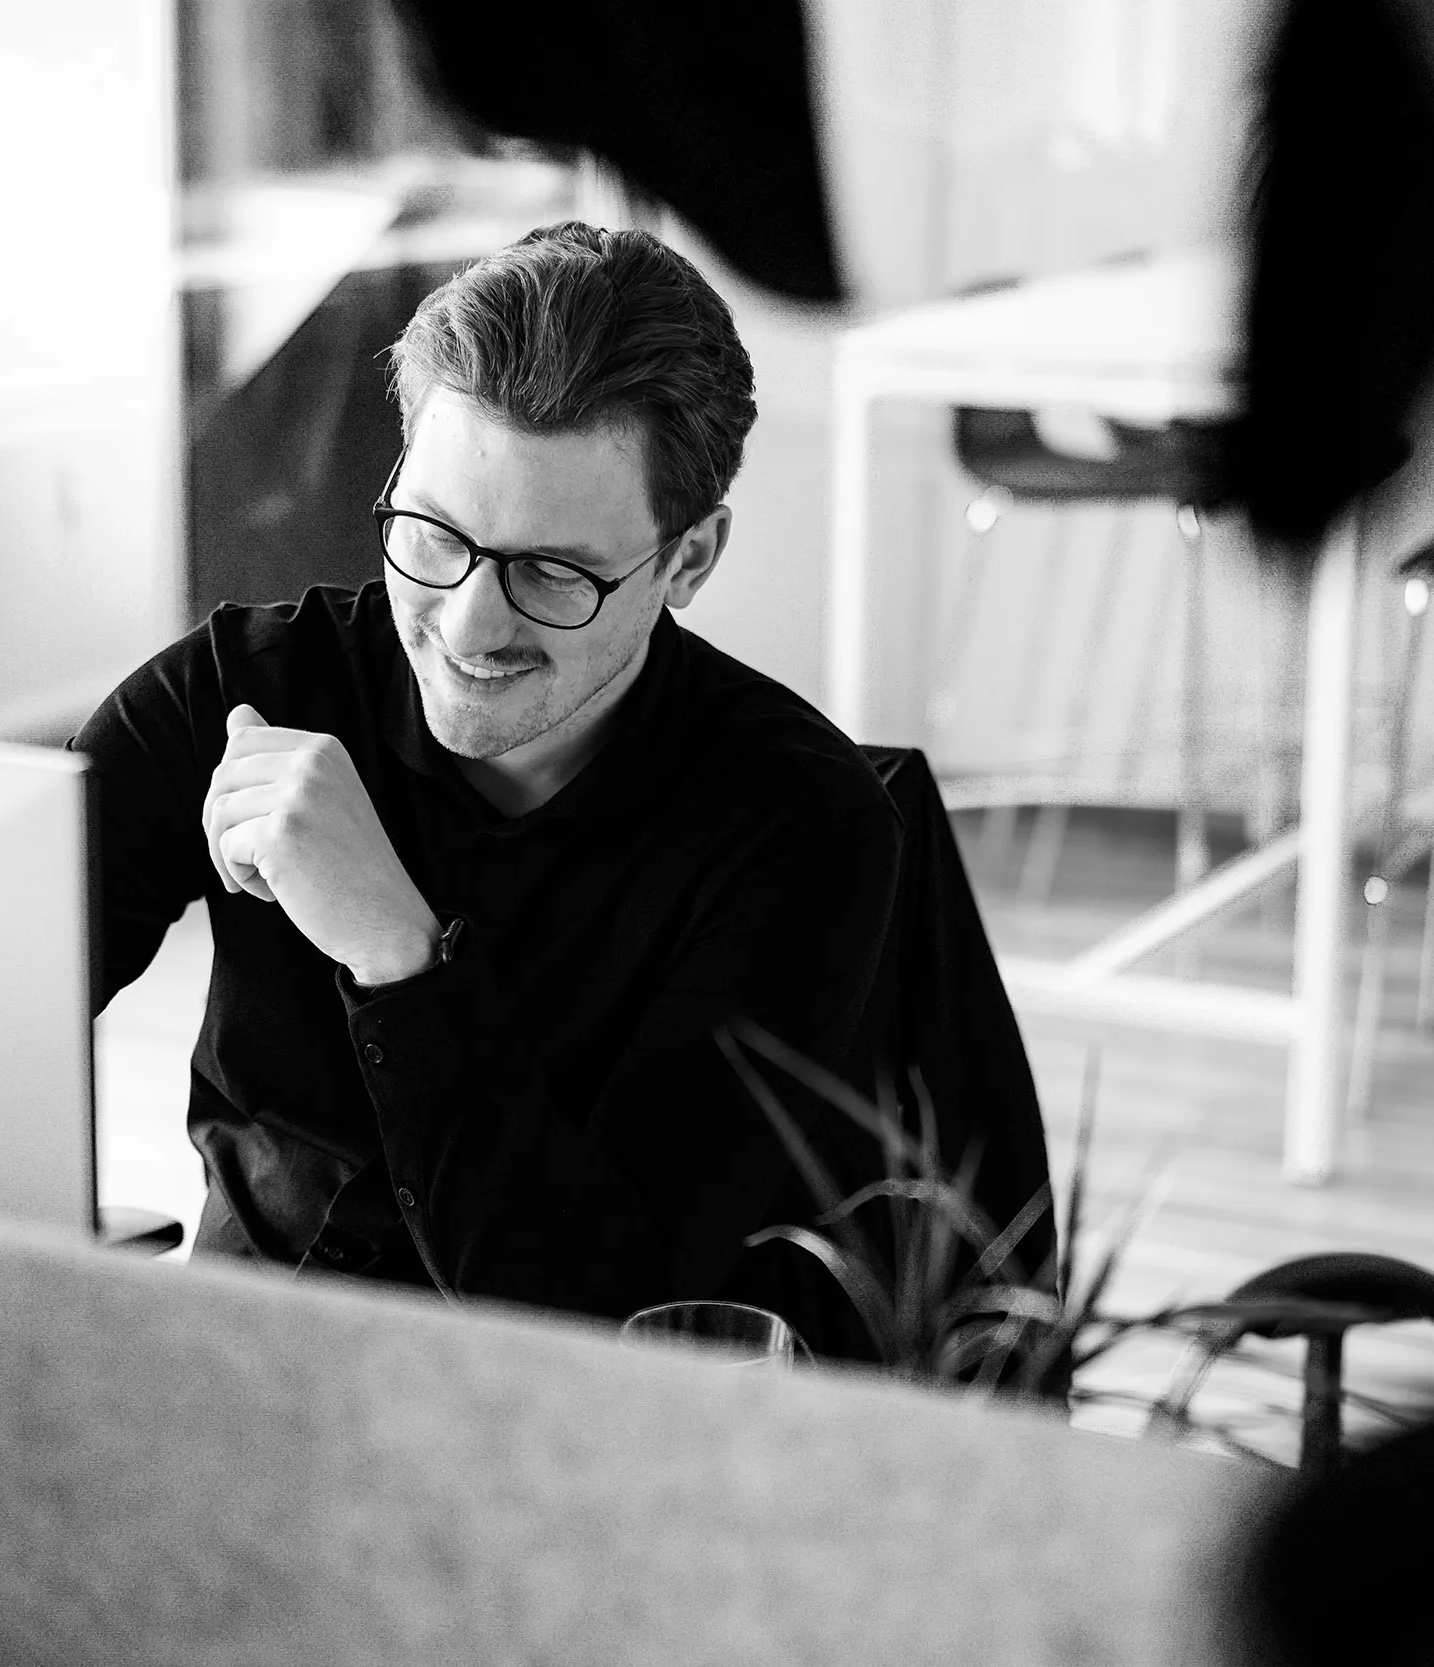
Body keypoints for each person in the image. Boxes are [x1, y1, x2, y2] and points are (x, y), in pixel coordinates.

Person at [75, 221, 902, 1327]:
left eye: (552, 572)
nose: (468, 625)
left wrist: (400, 958)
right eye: (432, 533)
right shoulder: (236, 691)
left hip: (546, 1404)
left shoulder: (800, 830)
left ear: (688, 559)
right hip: (236, 1354)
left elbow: (607, 1301)